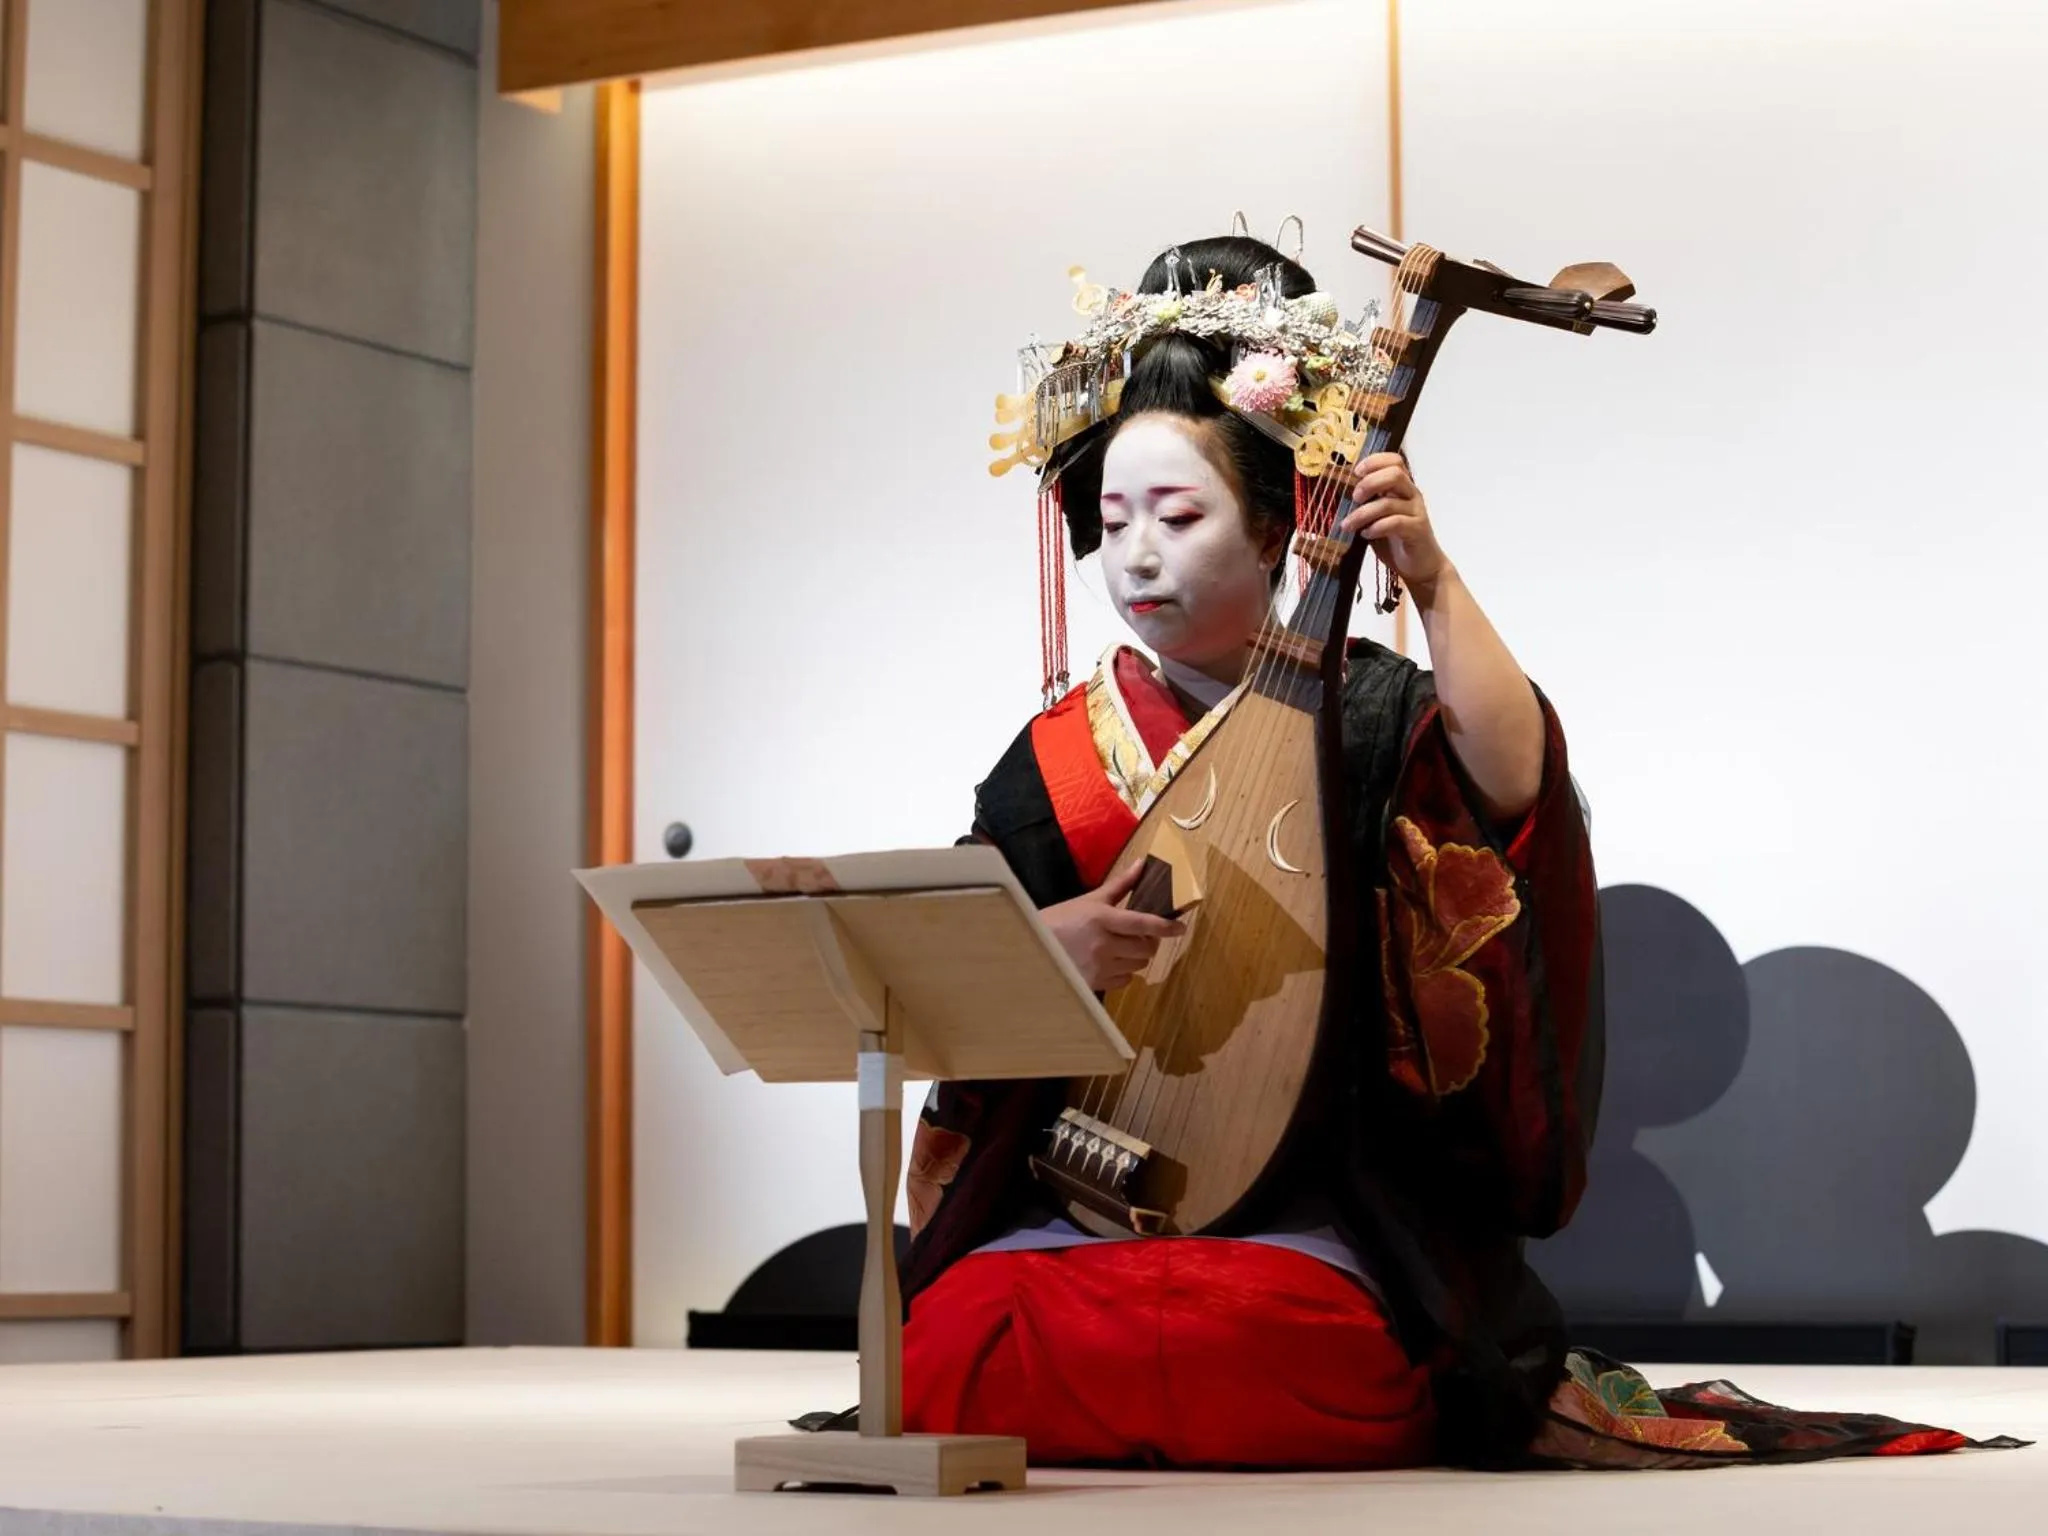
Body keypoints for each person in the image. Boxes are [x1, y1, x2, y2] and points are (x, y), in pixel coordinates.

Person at [893, 233, 2006, 1471]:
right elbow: (949, 968)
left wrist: (1425, 572)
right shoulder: (1053, 758)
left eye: (1177, 513)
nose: (1137, 553)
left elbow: (1507, 787)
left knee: (1252, 1337)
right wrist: (1048, 946)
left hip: (1305, 1204)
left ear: (1277, 530)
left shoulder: (1368, 715)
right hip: (1082, 1191)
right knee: (948, 1342)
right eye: (1111, 521)